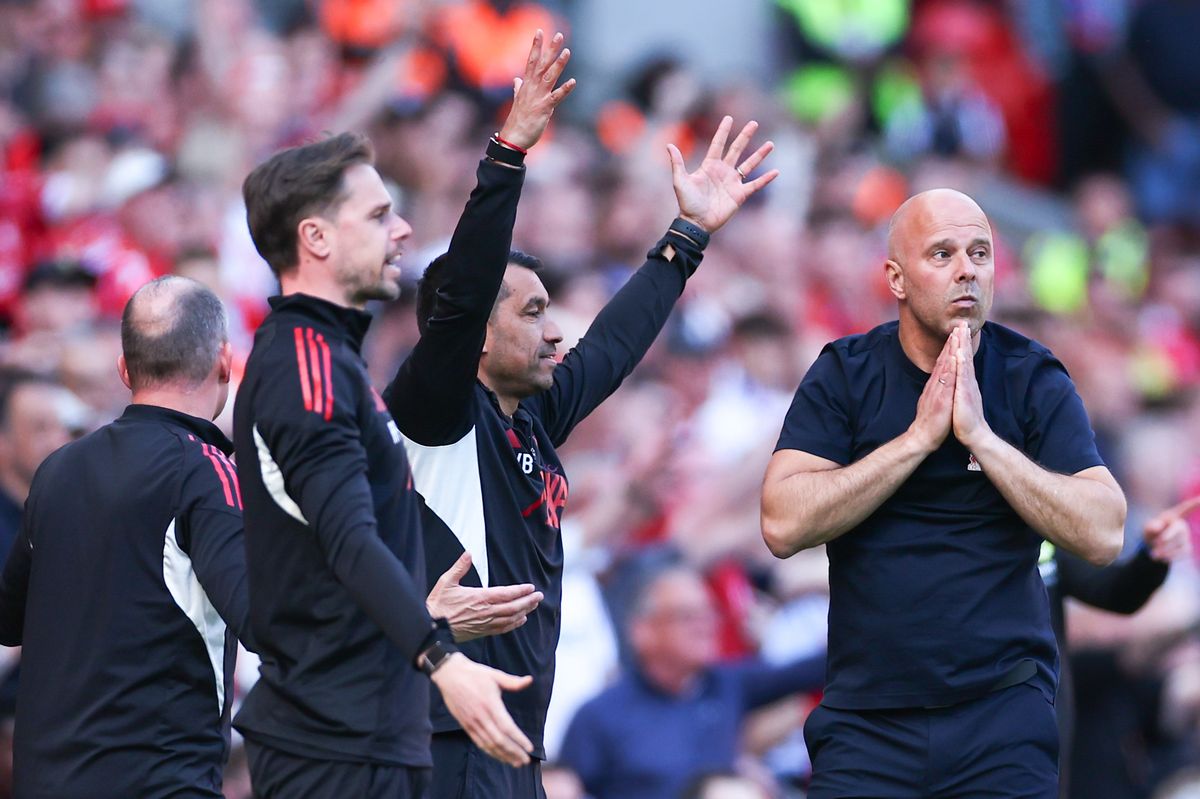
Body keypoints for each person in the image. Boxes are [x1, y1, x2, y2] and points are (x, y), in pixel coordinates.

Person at [386, 112, 779, 798]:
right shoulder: (440, 417)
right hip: (445, 741)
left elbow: (611, 347)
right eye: (532, 313)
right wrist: (506, 156)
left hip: (513, 745)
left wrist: (688, 235)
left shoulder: (529, 414)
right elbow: (465, 296)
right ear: (473, 330)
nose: (556, 331)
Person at [233, 29, 574, 796]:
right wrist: (440, 652)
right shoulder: (306, 362)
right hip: (336, 741)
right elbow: (348, 538)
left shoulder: (330, 359)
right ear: (315, 237)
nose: (403, 230)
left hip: (365, 730)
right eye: (379, 215)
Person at [760, 188, 1128, 798]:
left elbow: (1104, 532)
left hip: (1002, 711)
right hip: (867, 716)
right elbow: (781, 523)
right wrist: (916, 441)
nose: (967, 270)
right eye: (943, 254)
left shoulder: (1031, 376)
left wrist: (983, 440)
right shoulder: (846, 374)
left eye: (980, 252)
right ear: (897, 280)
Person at [0, 275, 251, 797]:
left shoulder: (57, 470)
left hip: (43, 780)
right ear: (225, 362)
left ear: (124, 370)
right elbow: (264, 617)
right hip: (159, 781)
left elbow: (8, 619)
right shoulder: (208, 471)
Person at [558, 567, 823, 799]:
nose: (705, 626)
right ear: (643, 631)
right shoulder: (599, 716)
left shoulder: (726, 685)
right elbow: (561, 788)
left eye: (710, 613)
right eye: (687, 616)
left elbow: (814, 669)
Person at [1047, 499, 1194, 797]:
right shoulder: (1086, 666)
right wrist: (1186, 627)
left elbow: (1164, 707)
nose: (1113, 630)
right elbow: (1130, 656)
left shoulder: (1126, 683)